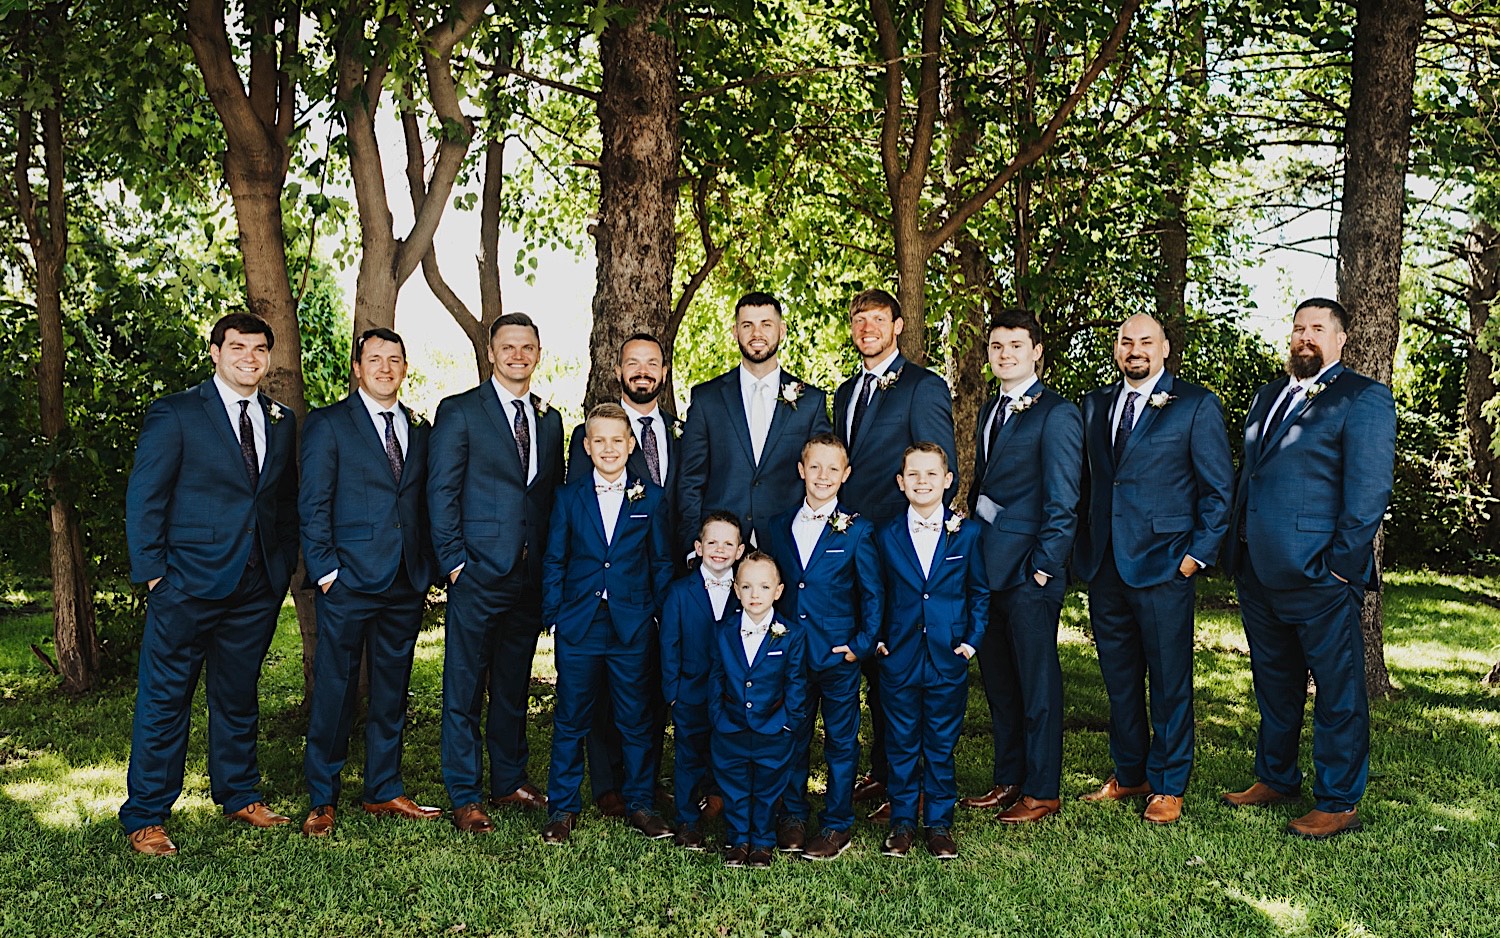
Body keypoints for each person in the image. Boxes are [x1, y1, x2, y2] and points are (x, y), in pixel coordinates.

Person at [120, 311, 300, 855]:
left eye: (259, 349)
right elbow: (145, 498)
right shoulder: (176, 413)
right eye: (238, 346)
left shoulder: (281, 418)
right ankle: (147, 814)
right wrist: (155, 576)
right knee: (165, 700)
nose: (250, 357)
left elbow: (280, 500)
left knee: (238, 695)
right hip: (185, 585)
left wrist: (281, 566)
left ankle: (239, 792)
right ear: (216, 352)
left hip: (255, 585)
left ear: (269, 357)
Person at [1220, 297, 1396, 840]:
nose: (1305, 337)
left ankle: (1339, 799)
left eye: (1317, 328)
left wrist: (1340, 569)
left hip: (1320, 575)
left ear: (1340, 339)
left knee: (1338, 692)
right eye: (1298, 328)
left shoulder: (1363, 398)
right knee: (1275, 684)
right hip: (1257, 570)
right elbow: (1254, 474)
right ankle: (1276, 776)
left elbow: (1369, 493)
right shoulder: (1269, 395)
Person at [1073, 314, 1233, 824]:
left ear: (1165, 348)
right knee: (1119, 680)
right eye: (1126, 341)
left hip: (1166, 565)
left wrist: (1195, 555)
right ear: (1116, 350)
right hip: (1106, 566)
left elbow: (1218, 490)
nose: (1135, 349)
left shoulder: (1196, 405)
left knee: (1168, 681)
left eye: (1146, 341)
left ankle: (1167, 784)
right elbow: (1090, 485)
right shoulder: (1096, 405)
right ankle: (1131, 771)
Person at [298, 328, 443, 837]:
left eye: (395, 359)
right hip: (349, 581)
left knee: (391, 689)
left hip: (404, 579)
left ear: (405, 368)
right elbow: (313, 503)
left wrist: (423, 566)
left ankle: (383, 788)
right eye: (375, 359)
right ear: (357, 368)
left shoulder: (419, 429)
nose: (386, 367)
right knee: (336, 689)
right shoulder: (329, 424)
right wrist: (327, 572)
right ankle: (322, 796)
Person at [428, 312, 565, 833]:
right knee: (463, 686)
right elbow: (440, 491)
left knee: (512, 685)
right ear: (491, 353)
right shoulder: (460, 411)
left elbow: (547, 496)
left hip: (528, 578)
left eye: (527, 347)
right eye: (507, 347)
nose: (517, 355)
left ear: (537, 353)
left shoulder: (550, 421)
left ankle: (508, 780)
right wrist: (455, 562)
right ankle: (465, 793)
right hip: (477, 574)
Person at [829, 288, 956, 814]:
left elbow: (933, 463)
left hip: (901, 547)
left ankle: (915, 778)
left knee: (901, 661)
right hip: (852, 544)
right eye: (859, 319)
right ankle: (882, 773)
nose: (867, 327)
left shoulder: (924, 386)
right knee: (869, 652)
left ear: (898, 326)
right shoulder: (843, 393)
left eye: (878, 319)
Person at [961, 307, 1082, 824]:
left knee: (1037, 685)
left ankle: (1042, 789)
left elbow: (1064, 500)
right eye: (996, 346)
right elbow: (988, 489)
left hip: (1030, 571)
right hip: (988, 567)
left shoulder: (1057, 414)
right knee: (1001, 682)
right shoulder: (992, 409)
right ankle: (1008, 778)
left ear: (1036, 352)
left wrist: (1044, 567)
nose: (1005, 354)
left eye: (1015, 345)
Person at [540, 404, 675, 844]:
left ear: (631, 445)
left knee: (635, 718)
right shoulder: (568, 497)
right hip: (579, 625)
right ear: (586, 446)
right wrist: (554, 615)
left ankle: (639, 802)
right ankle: (562, 808)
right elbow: (555, 559)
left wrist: (651, 613)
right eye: (599, 441)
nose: (609, 448)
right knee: (571, 718)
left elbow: (660, 562)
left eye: (617, 440)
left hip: (631, 625)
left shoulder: (650, 498)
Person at [565, 333, 681, 816]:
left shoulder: (679, 429)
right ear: (618, 370)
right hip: (601, 593)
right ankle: (607, 784)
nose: (642, 371)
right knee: (599, 697)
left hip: (659, 580)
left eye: (651, 363)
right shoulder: (588, 437)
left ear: (664, 373)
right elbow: (577, 520)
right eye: (632, 362)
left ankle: (644, 785)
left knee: (646, 688)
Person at [760, 434, 881, 860]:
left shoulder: (859, 529)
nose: (823, 476)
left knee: (841, 741)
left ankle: (836, 823)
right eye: (815, 467)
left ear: (845, 475)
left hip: (836, 656)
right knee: (792, 735)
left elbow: (871, 594)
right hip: (791, 655)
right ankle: (792, 814)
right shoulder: (778, 525)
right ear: (801, 470)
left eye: (833, 469)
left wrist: (859, 646)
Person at [874, 443, 988, 860]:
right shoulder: (885, 535)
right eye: (914, 475)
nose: (923, 482)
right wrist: (879, 639)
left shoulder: (968, 532)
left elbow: (979, 592)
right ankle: (902, 822)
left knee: (940, 743)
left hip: (947, 655)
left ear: (947, 480)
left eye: (931, 474)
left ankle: (939, 824)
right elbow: (877, 592)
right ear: (901, 483)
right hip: (899, 655)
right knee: (901, 742)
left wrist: (971, 642)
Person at [676, 292, 831, 554]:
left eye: (766, 325)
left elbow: (824, 476)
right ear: (735, 332)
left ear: (781, 331)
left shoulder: (811, 401)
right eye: (747, 325)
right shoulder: (707, 398)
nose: (756, 333)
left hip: (789, 544)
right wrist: (695, 546)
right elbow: (691, 479)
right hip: (721, 548)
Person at [708, 552, 807, 868]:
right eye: (747, 587)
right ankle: (738, 840)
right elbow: (716, 676)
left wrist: (788, 723)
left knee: (767, 789)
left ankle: (762, 841)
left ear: (778, 591)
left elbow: (796, 683)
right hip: (731, 727)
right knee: (734, 788)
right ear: (736, 590)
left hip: (773, 729)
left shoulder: (791, 634)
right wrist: (718, 717)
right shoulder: (723, 631)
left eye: (764, 587)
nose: (755, 595)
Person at [659, 510, 744, 850]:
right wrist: (674, 693)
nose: (719, 549)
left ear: (740, 551)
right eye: (712, 542)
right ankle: (687, 821)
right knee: (689, 757)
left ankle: (732, 820)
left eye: (728, 543)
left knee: (730, 756)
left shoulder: (746, 591)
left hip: (733, 694)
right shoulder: (680, 592)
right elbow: (669, 643)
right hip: (691, 692)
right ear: (698, 547)